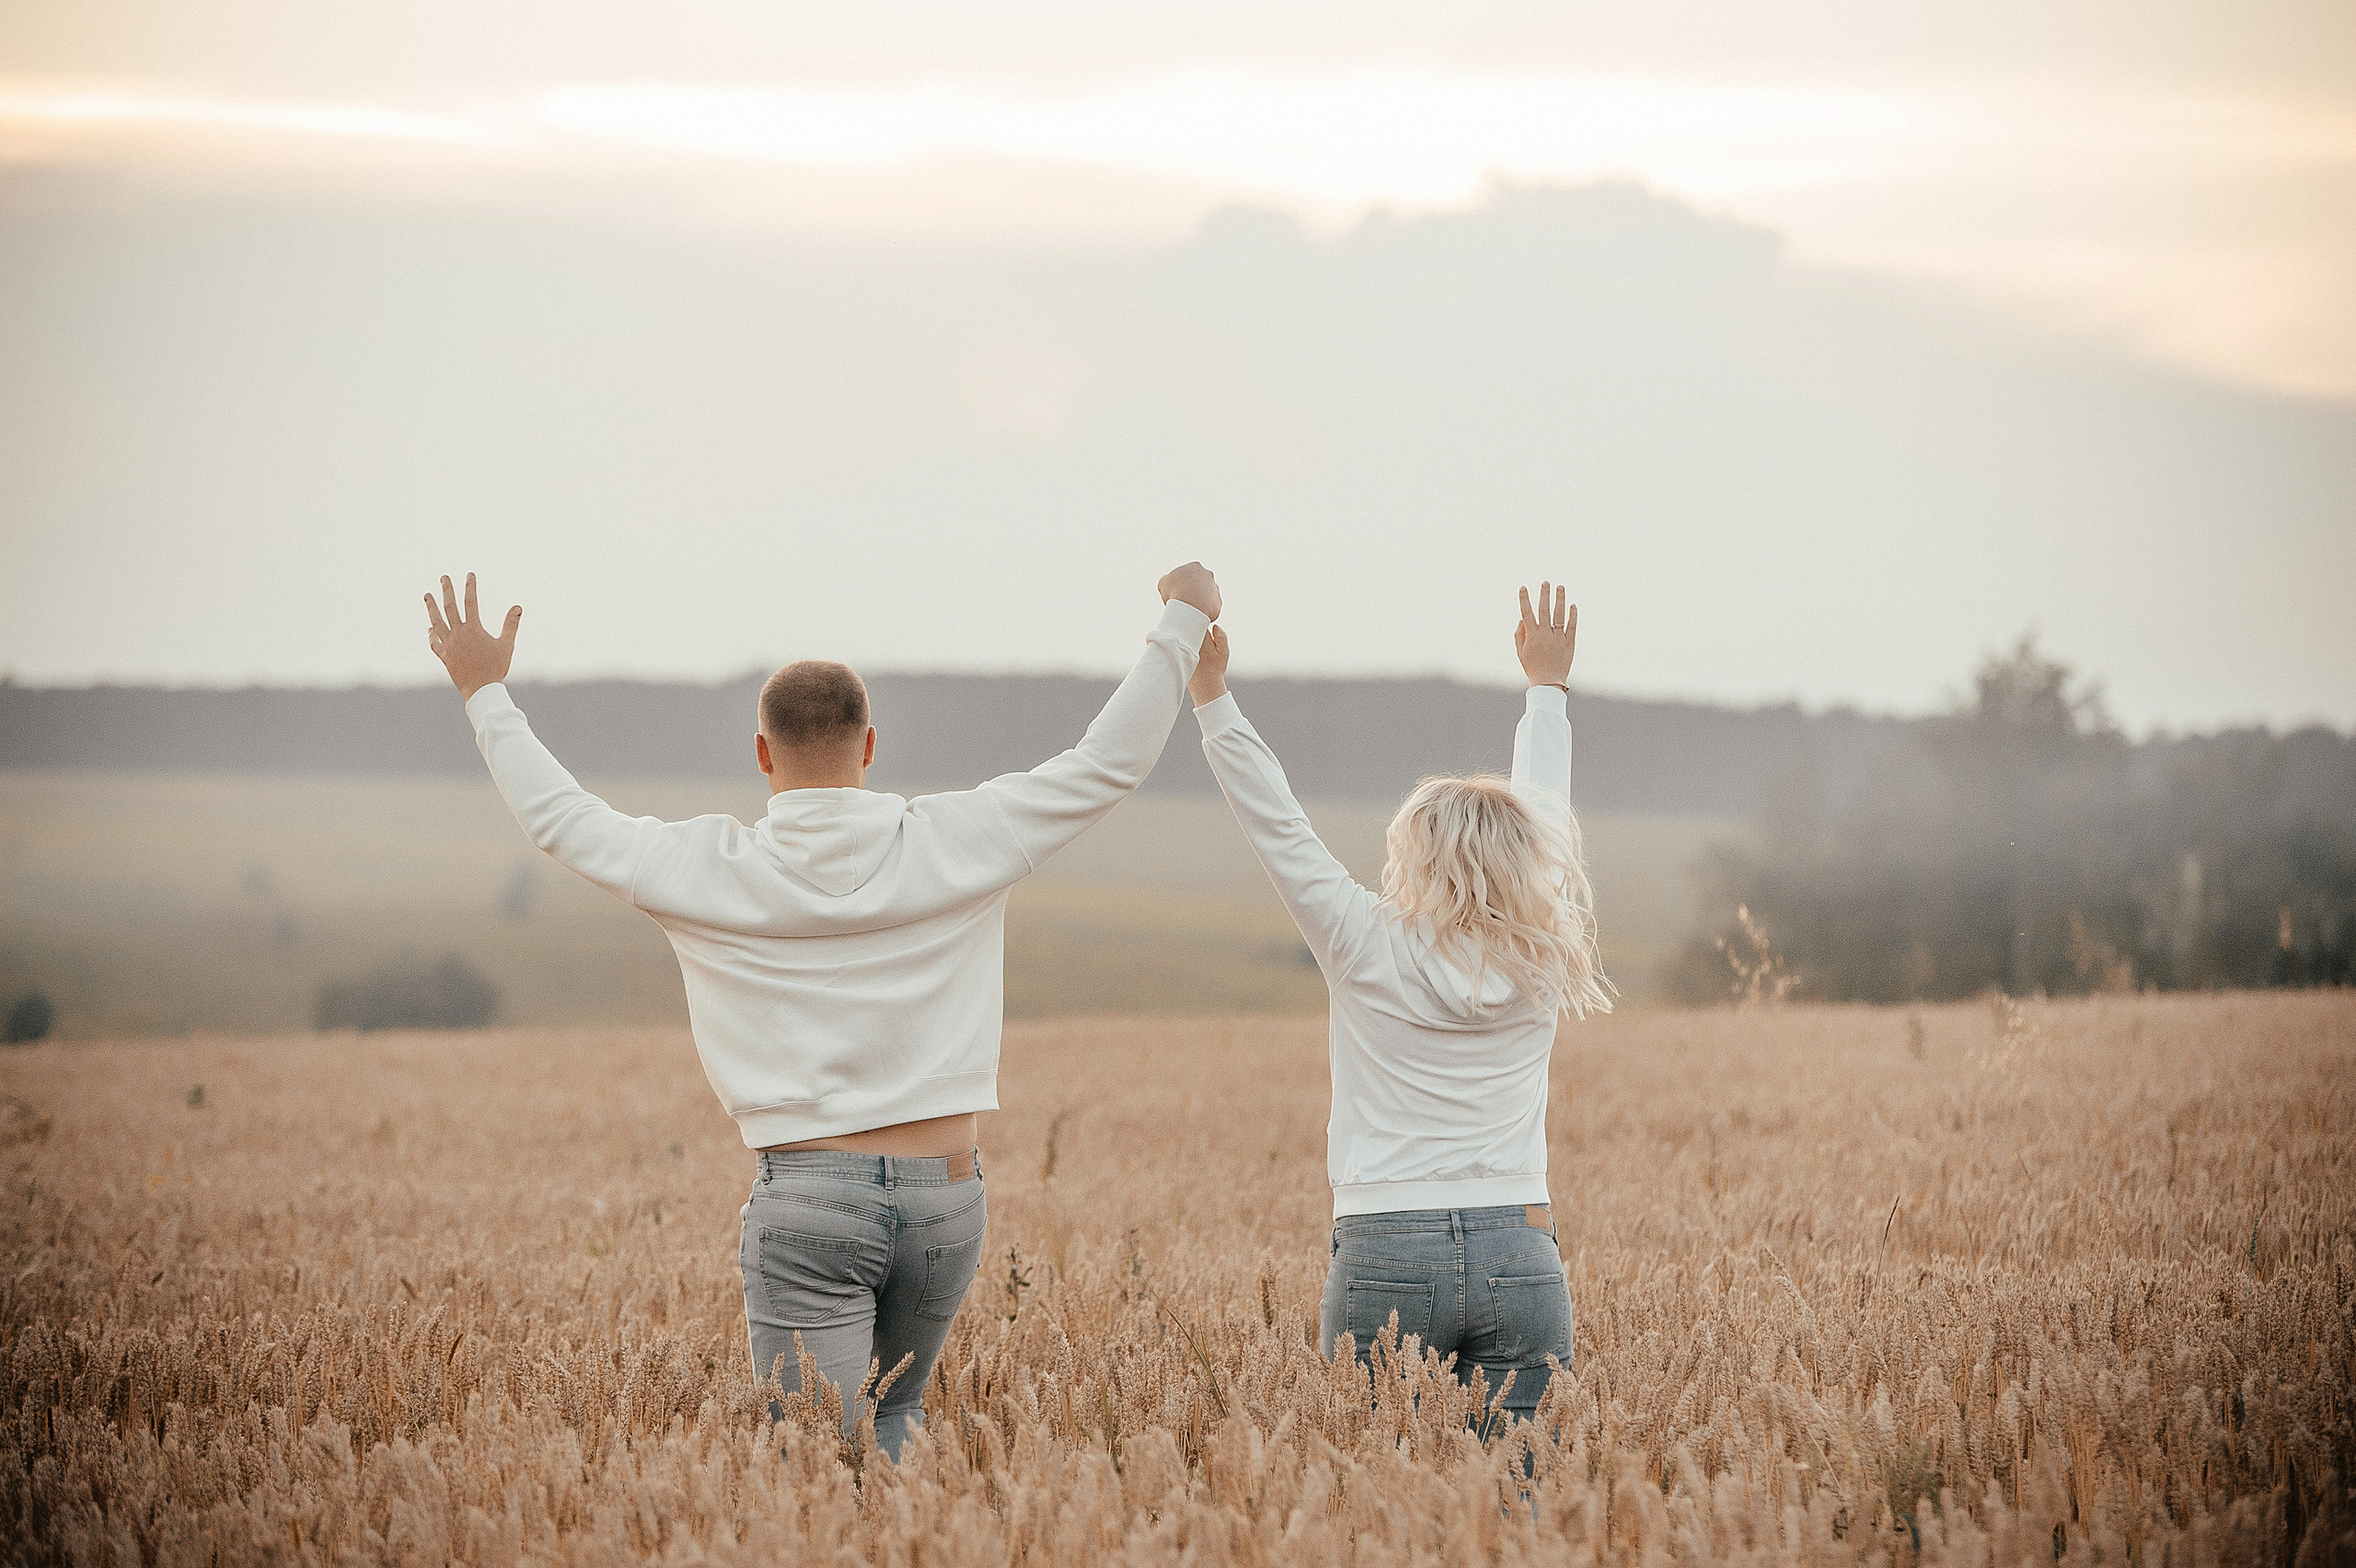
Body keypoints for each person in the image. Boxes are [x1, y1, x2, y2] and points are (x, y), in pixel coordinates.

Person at [421, 565, 1219, 1461]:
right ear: (869, 747)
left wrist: (483, 690)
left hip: (808, 1202)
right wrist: (1182, 620)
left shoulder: (709, 868)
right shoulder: (958, 837)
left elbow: (561, 820)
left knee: (818, 1472)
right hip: (946, 1200)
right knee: (889, 1435)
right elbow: (1107, 764)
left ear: (761, 754)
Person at [1184, 582, 1610, 1428]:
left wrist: (1210, 695)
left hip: (1384, 1249)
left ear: (1416, 856)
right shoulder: (1544, 950)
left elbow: (1277, 823)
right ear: (1525, 860)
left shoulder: (1359, 938)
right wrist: (1546, 689)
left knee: (1379, 1510)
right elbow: (1550, 816)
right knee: (1518, 1509)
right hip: (1520, 1248)